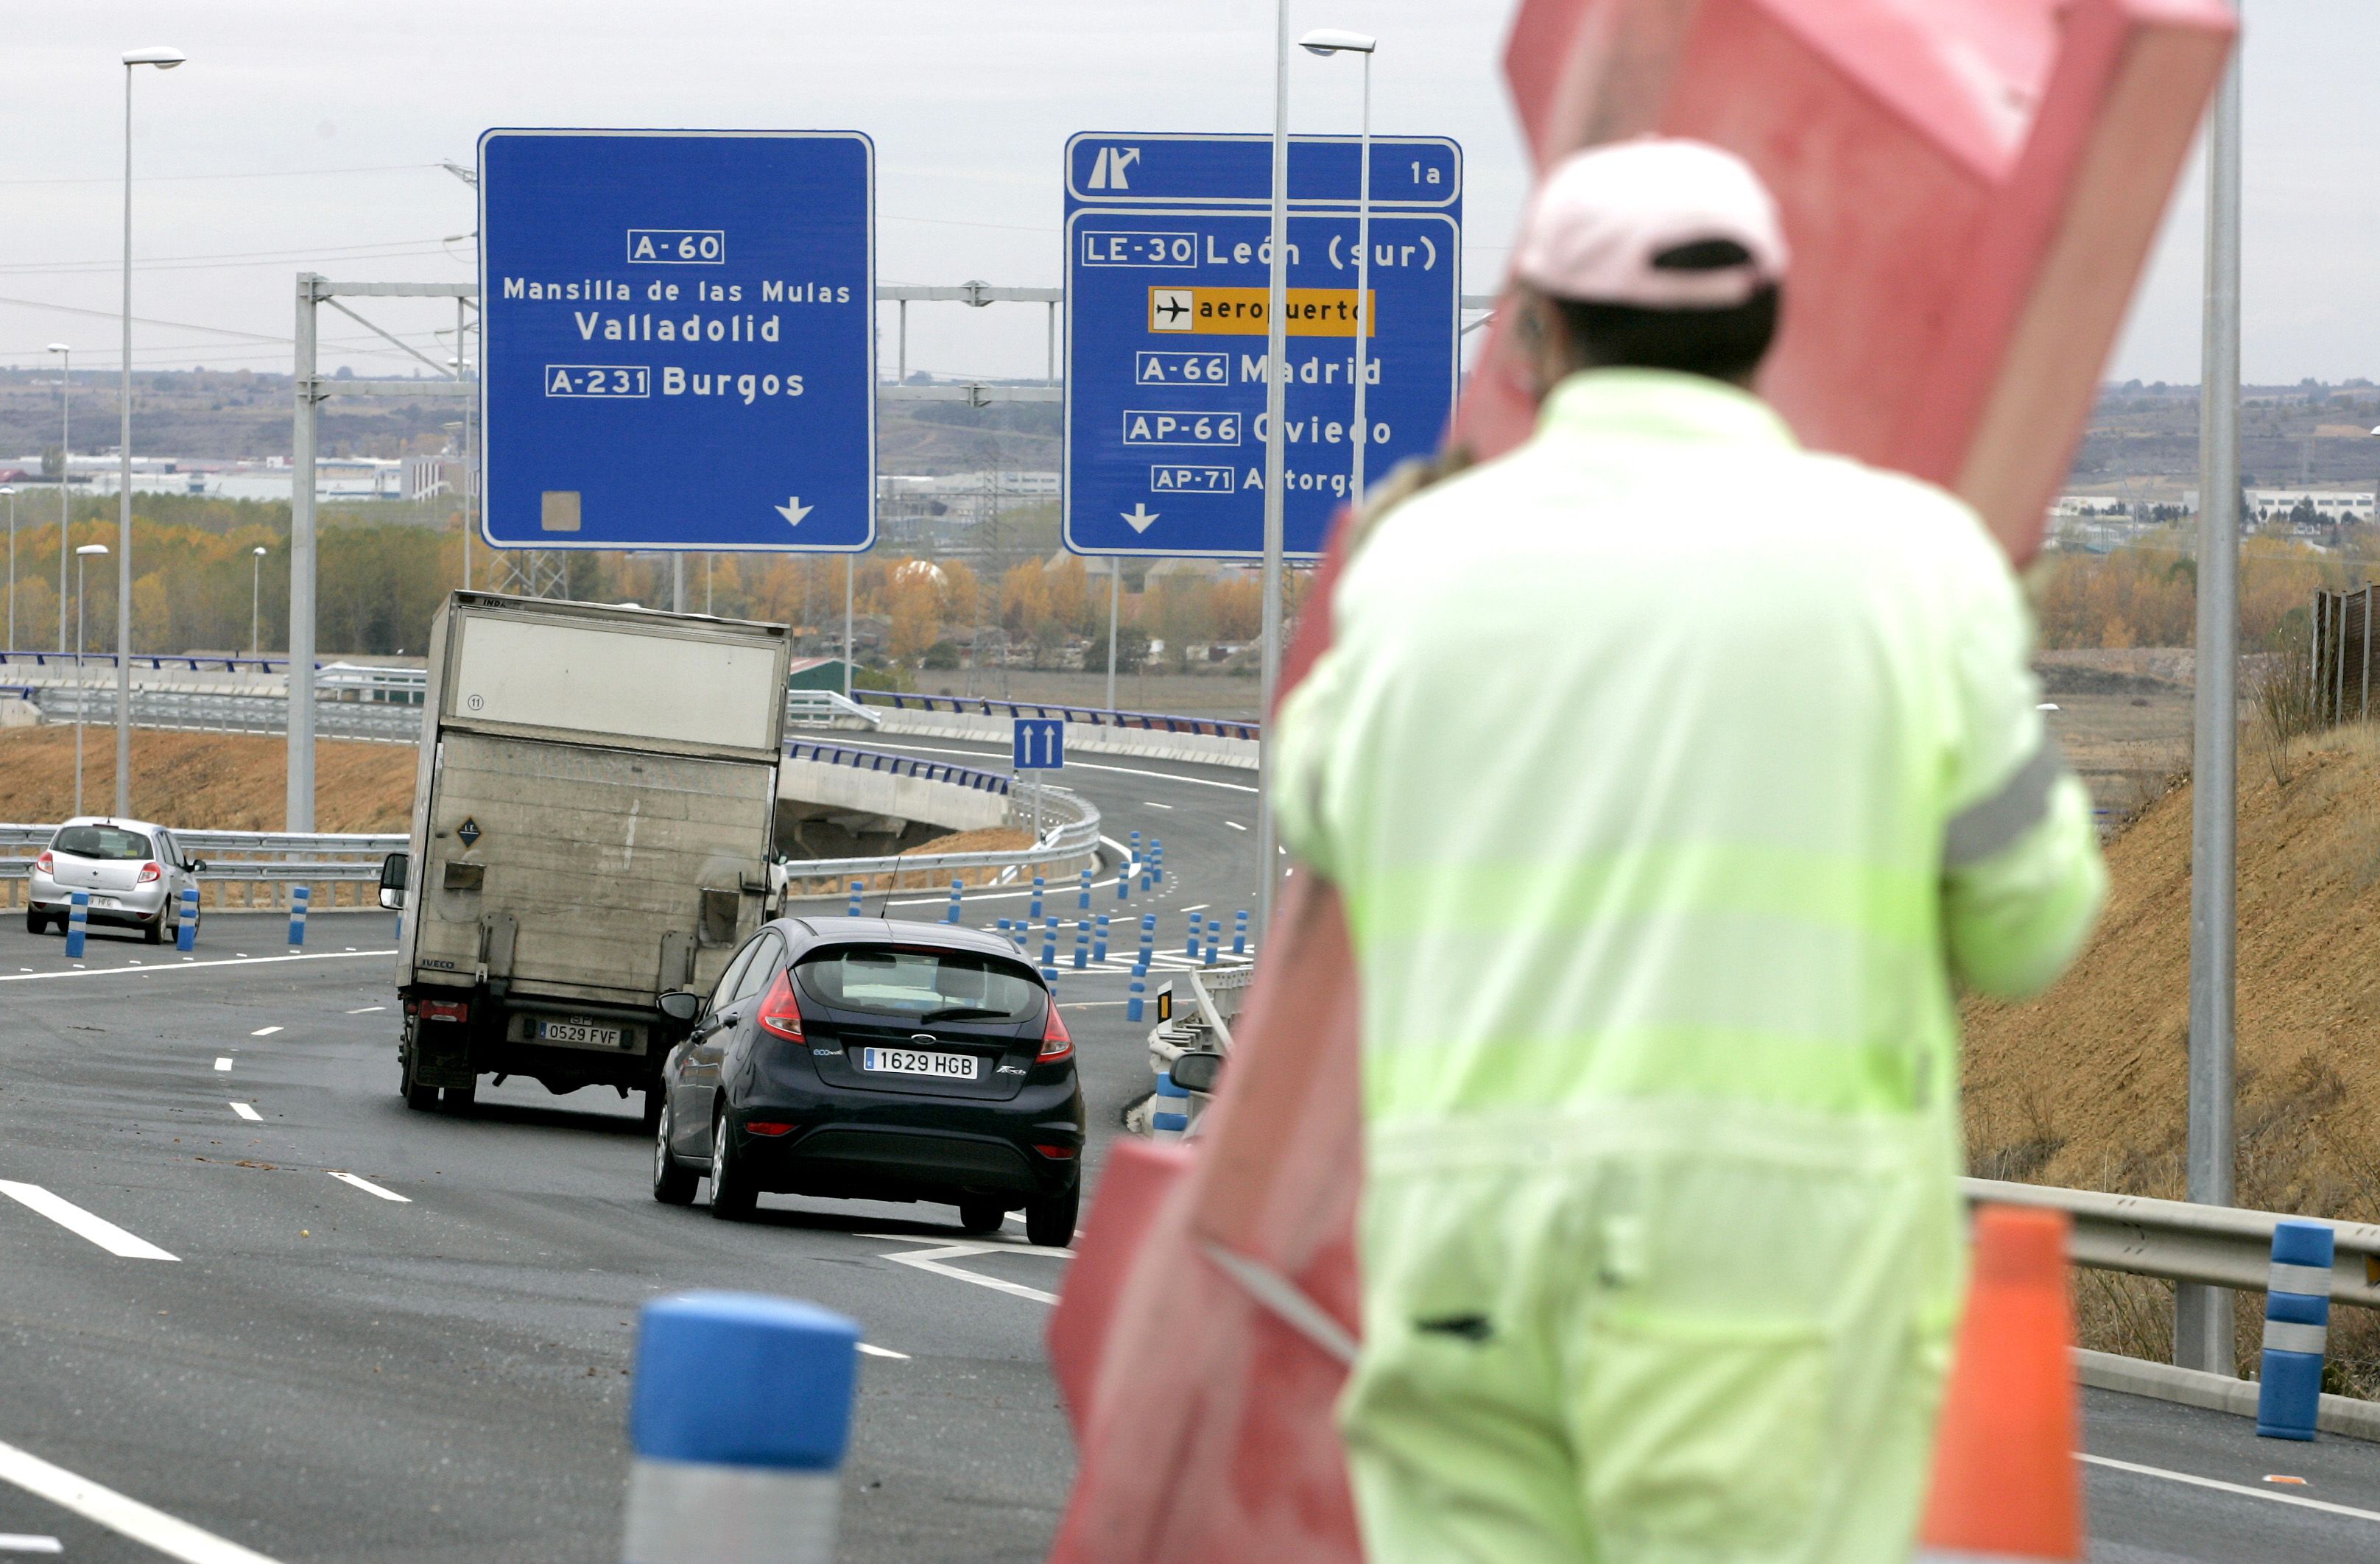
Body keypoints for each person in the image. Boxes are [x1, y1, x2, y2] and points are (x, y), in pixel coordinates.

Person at [1271, 137, 2106, 1564]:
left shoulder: (1421, 570)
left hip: (1464, 1240)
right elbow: (2030, 922)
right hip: (1770, 1269)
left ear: (1533, 334)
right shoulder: (1912, 572)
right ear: (1766, 329)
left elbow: (1313, 807)